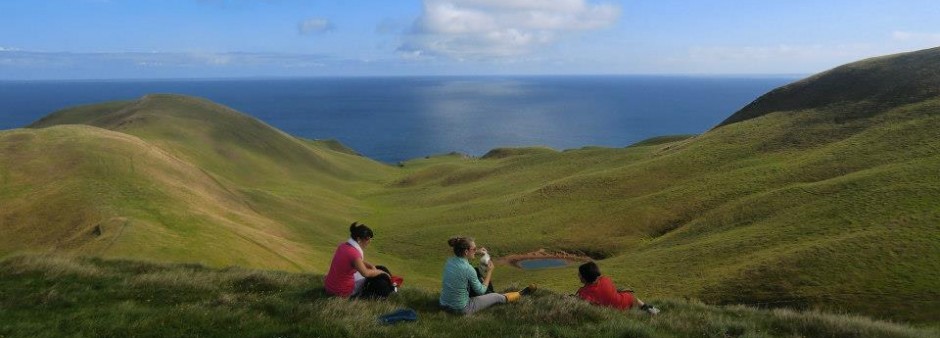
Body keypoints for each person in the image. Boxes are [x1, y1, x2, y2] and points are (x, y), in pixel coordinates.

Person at [439, 236, 534, 315]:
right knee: (496, 296)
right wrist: (489, 271)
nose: (475, 250)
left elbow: (465, 255)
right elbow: (481, 291)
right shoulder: (468, 269)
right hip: (460, 309)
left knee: (475, 273)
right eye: (474, 249)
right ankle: (520, 294)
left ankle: (493, 295)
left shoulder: (449, 261)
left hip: (443, 304)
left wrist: (476, 252)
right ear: (466, 252)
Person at [324, 222, 390, 298]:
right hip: (341, 291)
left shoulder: (343, 246)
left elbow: (353, 261)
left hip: (330, 287)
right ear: (358, 239)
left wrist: (369, 265)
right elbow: (365, 273)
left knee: (374, 270)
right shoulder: (354, 253)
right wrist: (382, 273)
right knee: (378, 277)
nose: (369, 241)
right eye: (367, 238)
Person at [575, 261, 659, 314]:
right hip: (623, 303)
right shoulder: (605, 280)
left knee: (620, 293)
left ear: (584, 278)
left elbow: (580, 299)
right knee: (627, 294)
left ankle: (648, 309)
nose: (578, 275)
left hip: (611, 311)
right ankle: (647, 307)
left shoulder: (583, 292)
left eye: (580, 275)